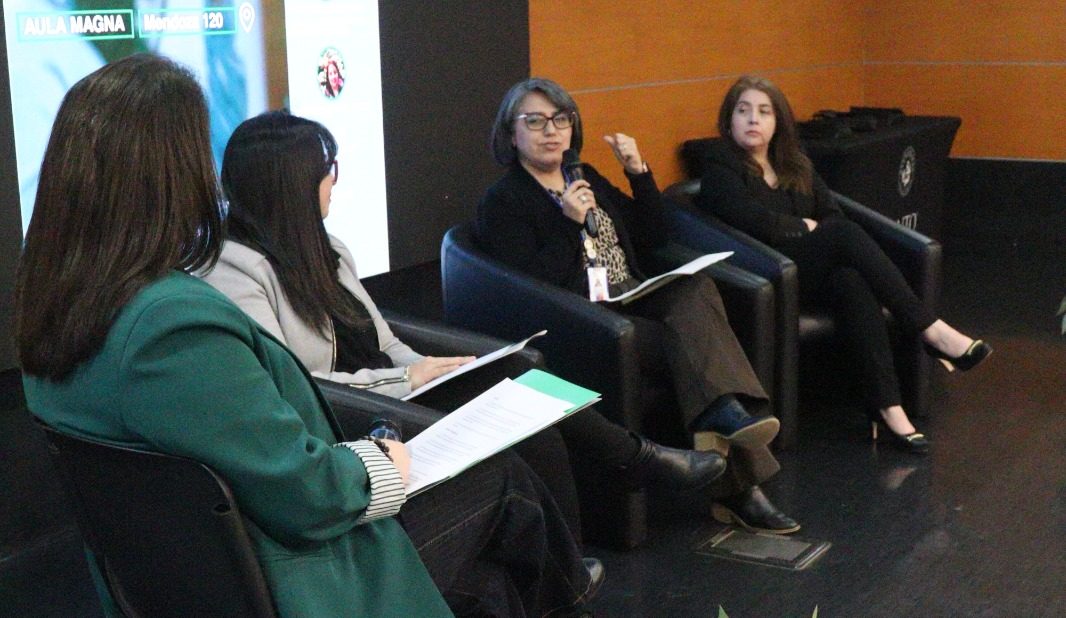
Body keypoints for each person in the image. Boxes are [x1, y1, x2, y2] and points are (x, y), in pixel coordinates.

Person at [16, 54, 596, 618]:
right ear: (173, 173)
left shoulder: (60, 310)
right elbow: (306, 494)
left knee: (490, 585)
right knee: (503, 484)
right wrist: (378, 462)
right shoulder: (172, 328)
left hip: (189, 582)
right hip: (292, 581)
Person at [200, 111, 731, 549]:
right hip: (345, 415)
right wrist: (404, 381)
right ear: (292, 184)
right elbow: (295, 384)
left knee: (520, 376)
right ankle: (635, 465)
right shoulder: (234, 270)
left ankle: (585, 529)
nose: (333, 181)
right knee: (514, 406)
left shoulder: (327, 248)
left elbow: (382, 341)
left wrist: (428, 367)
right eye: (326, 169)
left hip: (389, 388)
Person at [476, 78, 800, 534]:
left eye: (560, 119)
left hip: (632, 294)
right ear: (511, 134)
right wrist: (568, 224)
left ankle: (726, 418)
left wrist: (638, 173)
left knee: (696, 289)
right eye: (535, 121)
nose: (550, 130)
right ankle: (738, 471)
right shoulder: (504, 201)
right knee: (690, 346)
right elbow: (529, 288)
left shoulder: (584, 175)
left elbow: (653, 236)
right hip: (588, 319)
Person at [696, 75, 992, 453]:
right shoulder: (719, 164)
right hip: (762, 273)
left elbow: (832, 213)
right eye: (743, 111)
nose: (753, 119)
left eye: (764, 112)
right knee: (843, 235)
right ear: (729, 121)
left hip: (809, 270)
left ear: (778, 122)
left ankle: (889, 409)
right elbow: (745, 218)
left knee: (851, 280)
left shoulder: (795, 165)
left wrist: (811, 230)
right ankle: (929, 329)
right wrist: (801, 227)